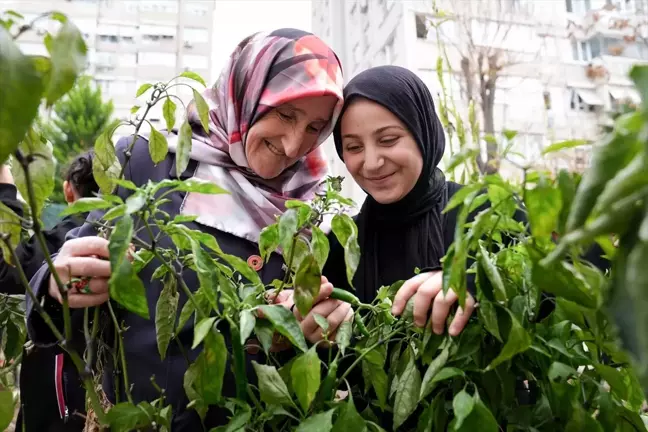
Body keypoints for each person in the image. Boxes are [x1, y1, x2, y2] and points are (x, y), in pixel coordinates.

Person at [25, 29, 349, 430]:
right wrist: (57, 287)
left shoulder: (309, 209)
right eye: (285, 114)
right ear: (245, 92)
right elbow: (60, 287)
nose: (295, 144)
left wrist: (297, 331)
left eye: (316, 127)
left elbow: (291, 356)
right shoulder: (149, 161)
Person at [324, 65, 478, 335]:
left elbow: (549, 293)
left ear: (423, 133)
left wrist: (475, 283)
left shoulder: (482, 211)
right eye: (354, 147)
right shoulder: (340, 246)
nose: (371, 163)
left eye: (388, 139)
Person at [1, 152, 98, 432]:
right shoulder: (128, 234)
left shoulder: (66, 237)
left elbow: (6, 267)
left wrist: (5, 189)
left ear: (68, 189)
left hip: (59, 410)